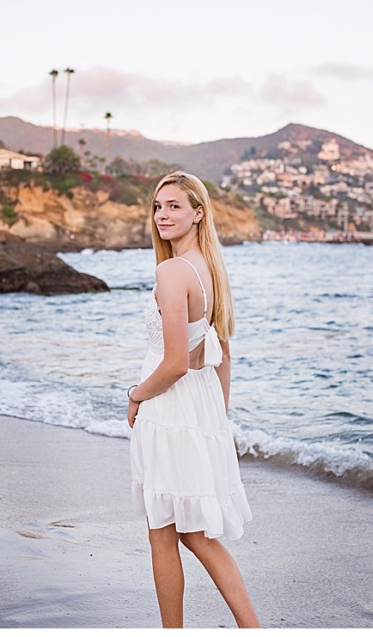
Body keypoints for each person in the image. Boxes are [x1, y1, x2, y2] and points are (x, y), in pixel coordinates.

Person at [127, 171, 259, 628]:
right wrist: (216, 417)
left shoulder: (171, 271)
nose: (163, 215)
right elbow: (222, 352)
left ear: (198, 213)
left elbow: (175, 363)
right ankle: (252, 628)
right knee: (197, 534)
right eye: (158, 207)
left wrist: (135, 395)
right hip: (196, 409)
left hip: (168, 407)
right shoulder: (210, 269)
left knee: (164, 533)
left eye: (174, 206)